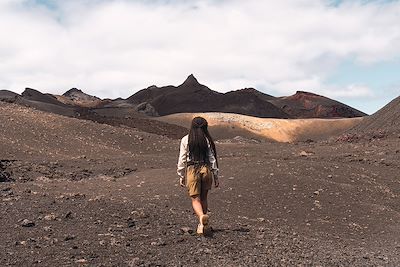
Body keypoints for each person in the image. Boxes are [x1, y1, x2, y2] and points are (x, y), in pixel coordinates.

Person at [177, 116, 219, 235]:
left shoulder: (186, 139)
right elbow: (212, 158)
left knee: (195, 199)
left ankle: (201, 217)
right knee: (204, 197)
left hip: (192, 169)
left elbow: (182, 159)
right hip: (206, 169)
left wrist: (181, 175)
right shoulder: (207, 140)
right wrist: (216, 175)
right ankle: (202, 226)